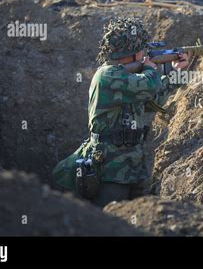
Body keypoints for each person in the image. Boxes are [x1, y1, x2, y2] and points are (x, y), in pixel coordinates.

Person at [52, 17, 189, 207]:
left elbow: (153, 99)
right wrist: (150, 68)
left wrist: (177, 72)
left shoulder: (130, 77)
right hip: (110, 168)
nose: (145, 53)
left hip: (134, 166)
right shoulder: (107, 74)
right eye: (142, 50)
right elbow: (148, 86)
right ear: (132, 53)